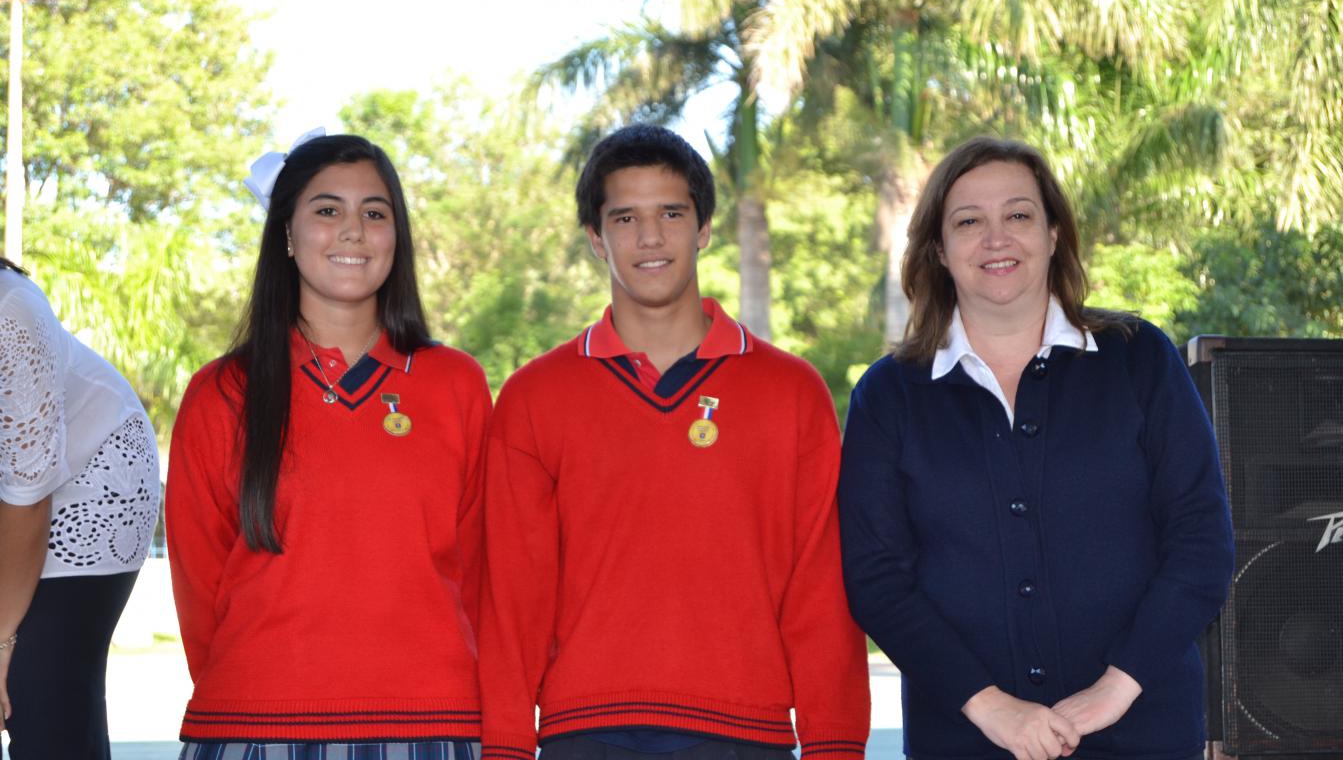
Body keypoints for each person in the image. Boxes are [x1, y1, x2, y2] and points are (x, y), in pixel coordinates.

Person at [479, 124, 870, 760]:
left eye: (671, 213)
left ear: (704, 227)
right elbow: (512, 597)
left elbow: (820, 589)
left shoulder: (791, 391)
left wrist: (835, 746)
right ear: (595, 240)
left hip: (747, 731)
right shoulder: (533, 396)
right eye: (625, 218)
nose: (651, 237)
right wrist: (504, 747)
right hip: (585, 732)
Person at [838, 137, 1235, 760]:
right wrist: (990, 707)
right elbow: (877, 579)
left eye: (1018, 215)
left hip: (1143, 730)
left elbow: (1201, 541)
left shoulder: (1140, 360)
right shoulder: (889, 396)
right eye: (968, 222)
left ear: (1053, 233)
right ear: (940, 250)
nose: (996, 239)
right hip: (963, 738)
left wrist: (1114, 689)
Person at [165, 132, 491, 758]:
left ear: (397, 236)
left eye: (375, 212)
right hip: (255, 725)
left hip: (430, 724)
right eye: (326, 210)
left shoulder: (457, 384)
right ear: (285, 234)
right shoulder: (222, 393)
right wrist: (258, 693)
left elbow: (477, 574)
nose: (354, 231)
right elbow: (199, 587)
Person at [0, 257, 160, 759]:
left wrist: (1, 641)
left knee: (40, 692)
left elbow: (27, 493)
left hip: (93, 484)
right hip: (20, 496)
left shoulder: (10, 307)